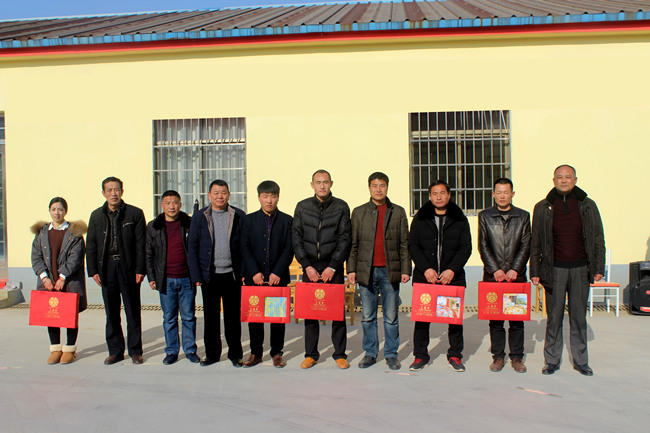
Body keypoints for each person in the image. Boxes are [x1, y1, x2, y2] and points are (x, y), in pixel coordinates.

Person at [530, 165, 605, 376]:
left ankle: (581, 361)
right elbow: (536, 241)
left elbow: (598, 237)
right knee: (554, 317)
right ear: (553, 180)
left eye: (568, 177)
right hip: (554, 269)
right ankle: (551, 360)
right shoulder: (543, 207)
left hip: (581, 269)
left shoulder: (588, 205)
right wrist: (534, 270)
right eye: (560, 177)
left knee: (579, 317)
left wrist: (598, 267)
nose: (564, 181)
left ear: (575, 180)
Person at [347, 172, 411, 370]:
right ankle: (370, 353)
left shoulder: (397, 212)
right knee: (368, 316)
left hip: (389, 272)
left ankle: (391, 354)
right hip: (366, 271)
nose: (378, 189)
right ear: (369, 188)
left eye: (382, 185)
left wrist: (406, 269)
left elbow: (404, 244)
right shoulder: (359, 212)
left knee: (391, 317)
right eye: (374, 185)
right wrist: (351, 269)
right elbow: (353, 244)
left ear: (387, 187)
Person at [408, 180, 472, 372]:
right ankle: (420, 355)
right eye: (435, 193)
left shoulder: (459, 219)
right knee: (422, 318)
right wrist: (426, 269)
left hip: (452, 276)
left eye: (442, 193)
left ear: (449, 195)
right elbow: (413, 246)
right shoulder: (420, 218)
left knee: (454, 319)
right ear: (429, 196)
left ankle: (455, 354)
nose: (438, 197)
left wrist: (452, 269)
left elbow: (465, 247)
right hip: (425, 276)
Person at [292, 169, 351, 369]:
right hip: (310, 267)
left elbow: (345, 239)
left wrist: (333, 266)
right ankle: (311, 354)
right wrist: (306, 265)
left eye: (325, 182)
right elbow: (296, 238)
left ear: (331, 183)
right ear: (312, 185)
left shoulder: (341, 207)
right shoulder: (302, 207)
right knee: (310, 312)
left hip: (332, 267)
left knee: (337, 313)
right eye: (318, 182)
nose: (322, 186)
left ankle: (340, 354)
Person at [87, 177, 146, 365]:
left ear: (122, 191)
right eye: (109, 190)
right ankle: (115, 351)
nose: (113, 193)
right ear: (103, 193)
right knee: (111, 313)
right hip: (107, 268)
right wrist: (93, 270)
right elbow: (91, 244)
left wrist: (140, 269)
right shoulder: (96, 216)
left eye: (117, 189)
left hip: (128, 267)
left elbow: (141, 244)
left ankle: (135, 351)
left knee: (132, 311)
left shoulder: (135, 214)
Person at [188, 179, 245, 367]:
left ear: (229, 194)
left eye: (224, 192)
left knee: (232, 317)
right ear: (209, 195)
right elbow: (193, 247)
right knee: (211, 318)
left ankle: (235, 354)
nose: (220, 196)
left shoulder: (238, 215)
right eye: (216, 193)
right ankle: (212, 354)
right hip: (209, 275)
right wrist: (196, 275)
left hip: (232, 275)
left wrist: (243, 271)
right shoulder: (200, 217)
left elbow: (244, 245)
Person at [478, 178, 531, 373]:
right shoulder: (485, 216)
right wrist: (496, 270)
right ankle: (498, 356)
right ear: (493, 194)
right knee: (496, 320)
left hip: (516, 277)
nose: (502, 196)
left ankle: (516, 357)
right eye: (499, 192)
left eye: (506, 192)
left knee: (516, 320)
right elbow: (483, 245)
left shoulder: (523, 216)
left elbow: (526, 245)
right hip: (494, 277)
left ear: (512, 194)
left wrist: (515, 269)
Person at [240, 181, 294, 368]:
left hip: (277, 278)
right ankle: (255, 353)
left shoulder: (287, 220)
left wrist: (278, 272)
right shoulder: (248, 220)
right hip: (254, 278)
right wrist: (253, 272)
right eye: (265, 196)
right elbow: (244, 247)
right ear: (259, 198)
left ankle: (276, 353)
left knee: (277, 318)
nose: (269, 200)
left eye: (272, 196)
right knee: (255, 317)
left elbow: (289, 248)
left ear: (278, 197)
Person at [31, 197, 88, 364]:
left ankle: (69, 349)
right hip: (49, 282)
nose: (57, 213)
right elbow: (36, 257)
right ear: (49, 211)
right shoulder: (42, 233)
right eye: (54, 209)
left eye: (60, 209)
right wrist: (45, 278)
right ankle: (55, 349)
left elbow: (75, 258)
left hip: (69, 281)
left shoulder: (74, 233)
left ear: (65, 211)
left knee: (69, 315)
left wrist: (62, 277)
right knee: (51, 315)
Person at [145, 190, 199, 365]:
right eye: (167, 203)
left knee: (188, 316)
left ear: (180, 204)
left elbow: (197, 249)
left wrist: (197, 274)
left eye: (175, 202)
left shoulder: (189, 223)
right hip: (165, 279)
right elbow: (148, 254)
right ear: (162, 205)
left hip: (187, 278)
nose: (171, 206)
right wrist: (151, 277)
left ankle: (190, 349)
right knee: (169, 317)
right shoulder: (154, 226)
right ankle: (171, 351)